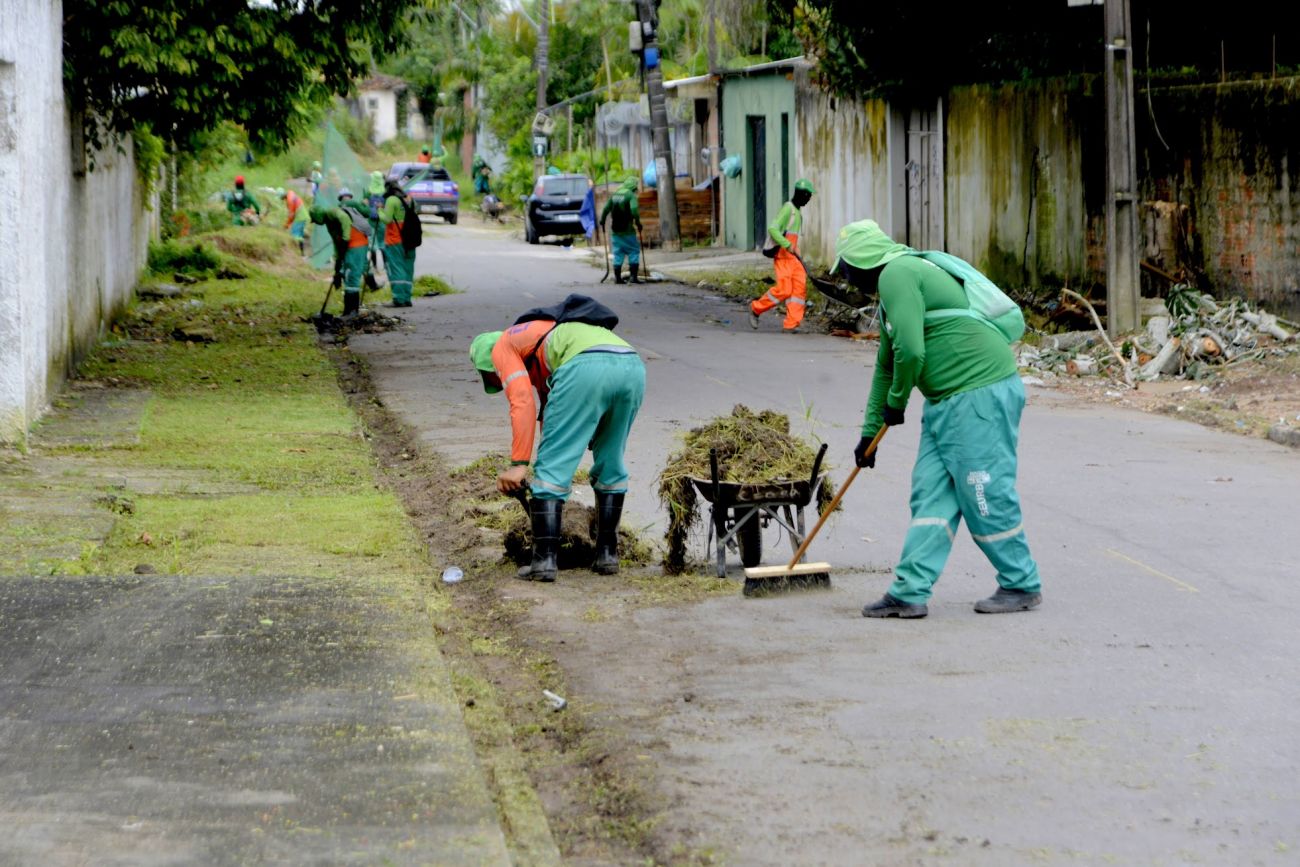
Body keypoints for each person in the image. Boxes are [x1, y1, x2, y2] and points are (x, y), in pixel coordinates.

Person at [834, 219, 1043, 619]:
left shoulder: (897, 273)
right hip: (945, 402)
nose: (844, 278)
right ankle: (908, 591)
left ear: (859, 261)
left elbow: (912, 352)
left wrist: (897, 403)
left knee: (982, 491)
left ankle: (1021, 582)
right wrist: (869, 434)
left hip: (977, 392)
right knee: (930, 494)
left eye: (844, 268)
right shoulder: (892, 290)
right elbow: (887, 365)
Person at [468, 304, 646, 582]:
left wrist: (519, 465)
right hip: (631, 365)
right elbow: (549, 418)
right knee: (611, 461)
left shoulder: (502, 345)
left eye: (495, 377)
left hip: (585, 367)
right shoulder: (547, 337)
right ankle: (607, 555)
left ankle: (544, 561)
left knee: (551, 472)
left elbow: (522, 402)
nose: (499, 381)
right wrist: (545, 453)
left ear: (490, 364)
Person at [749, 178, 815, 333]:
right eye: (808, 196)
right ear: (803, 195)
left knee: (798, 290)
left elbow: (792, 237)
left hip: (793, 258)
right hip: (783, 258)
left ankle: (791, 324)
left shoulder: (797, 212)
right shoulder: (788, 209)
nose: (809, 199)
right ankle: (755, 308)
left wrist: (796, 248)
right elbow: (773, 229)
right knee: (784, 290)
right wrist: (787, 245)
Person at [308, 204, 369, 317]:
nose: (316, 223)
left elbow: (344, 218)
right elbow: (337, 243)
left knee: (351, 276)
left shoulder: (332, 212)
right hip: (350, 246)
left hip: (356, 244)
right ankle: (348, 311)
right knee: (347, 275)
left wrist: (345, 238)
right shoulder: (329, 224)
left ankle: (352, 311)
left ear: (317, 216)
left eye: (315, 220)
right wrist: (337, 265)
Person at [379, 179, 415, 308]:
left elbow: (387, 219)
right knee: (408, 268)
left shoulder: (391, 200)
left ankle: (398, 299)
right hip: (411, 240)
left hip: (395, 240)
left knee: (396, 268)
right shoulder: (409, 199)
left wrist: (379, 211)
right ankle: (407, 298)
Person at [599, 178, 643, 284]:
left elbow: (606, 209)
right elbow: (634, 210)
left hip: (615, 231)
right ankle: (633, 277)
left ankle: (618, 278)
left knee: (618, 253)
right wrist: (638, 223)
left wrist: (602, 221)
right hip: (628, 231)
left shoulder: (615, 194)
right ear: (634, 186)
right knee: (633, 251)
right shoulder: (630, 195)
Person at [279, 187, 308, 255]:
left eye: (282, 198)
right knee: (299, 233)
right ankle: (303, 251)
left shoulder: (289, 201)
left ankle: (302, 253)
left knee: (295, 234)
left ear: (283, 196)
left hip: (300, 217)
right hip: (303, 214)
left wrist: (286, 225)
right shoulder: (291, 193)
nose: (283, 200)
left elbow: (291, 216)